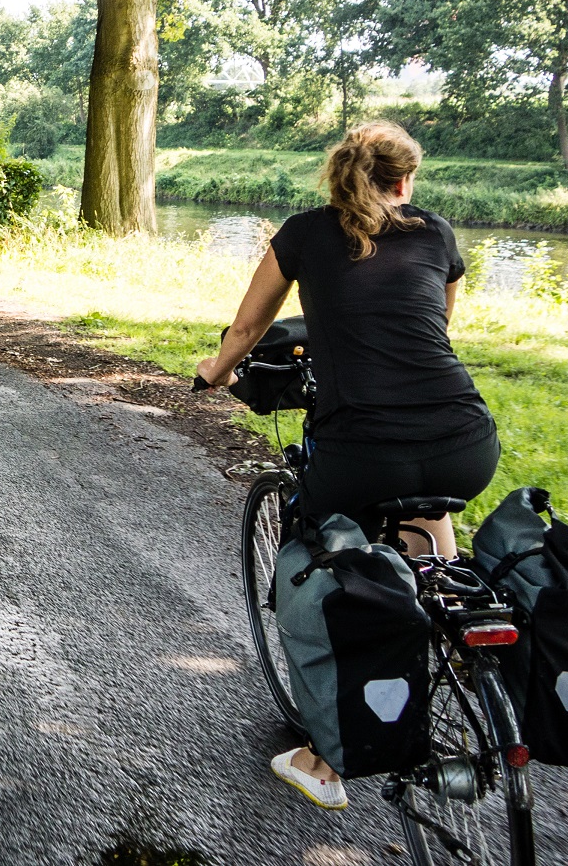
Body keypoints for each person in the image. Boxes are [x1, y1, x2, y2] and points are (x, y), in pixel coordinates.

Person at [195, 121, 501, 812]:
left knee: (325, 554)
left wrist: (215, 371)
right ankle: (462, 647)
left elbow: (244, 331)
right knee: (429, 509)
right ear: (404, 180)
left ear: (339, 175)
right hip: (466, 438)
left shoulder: (303, 232)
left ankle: (325, 757)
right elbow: (436, 329)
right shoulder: (437, 232)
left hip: (360, 449)